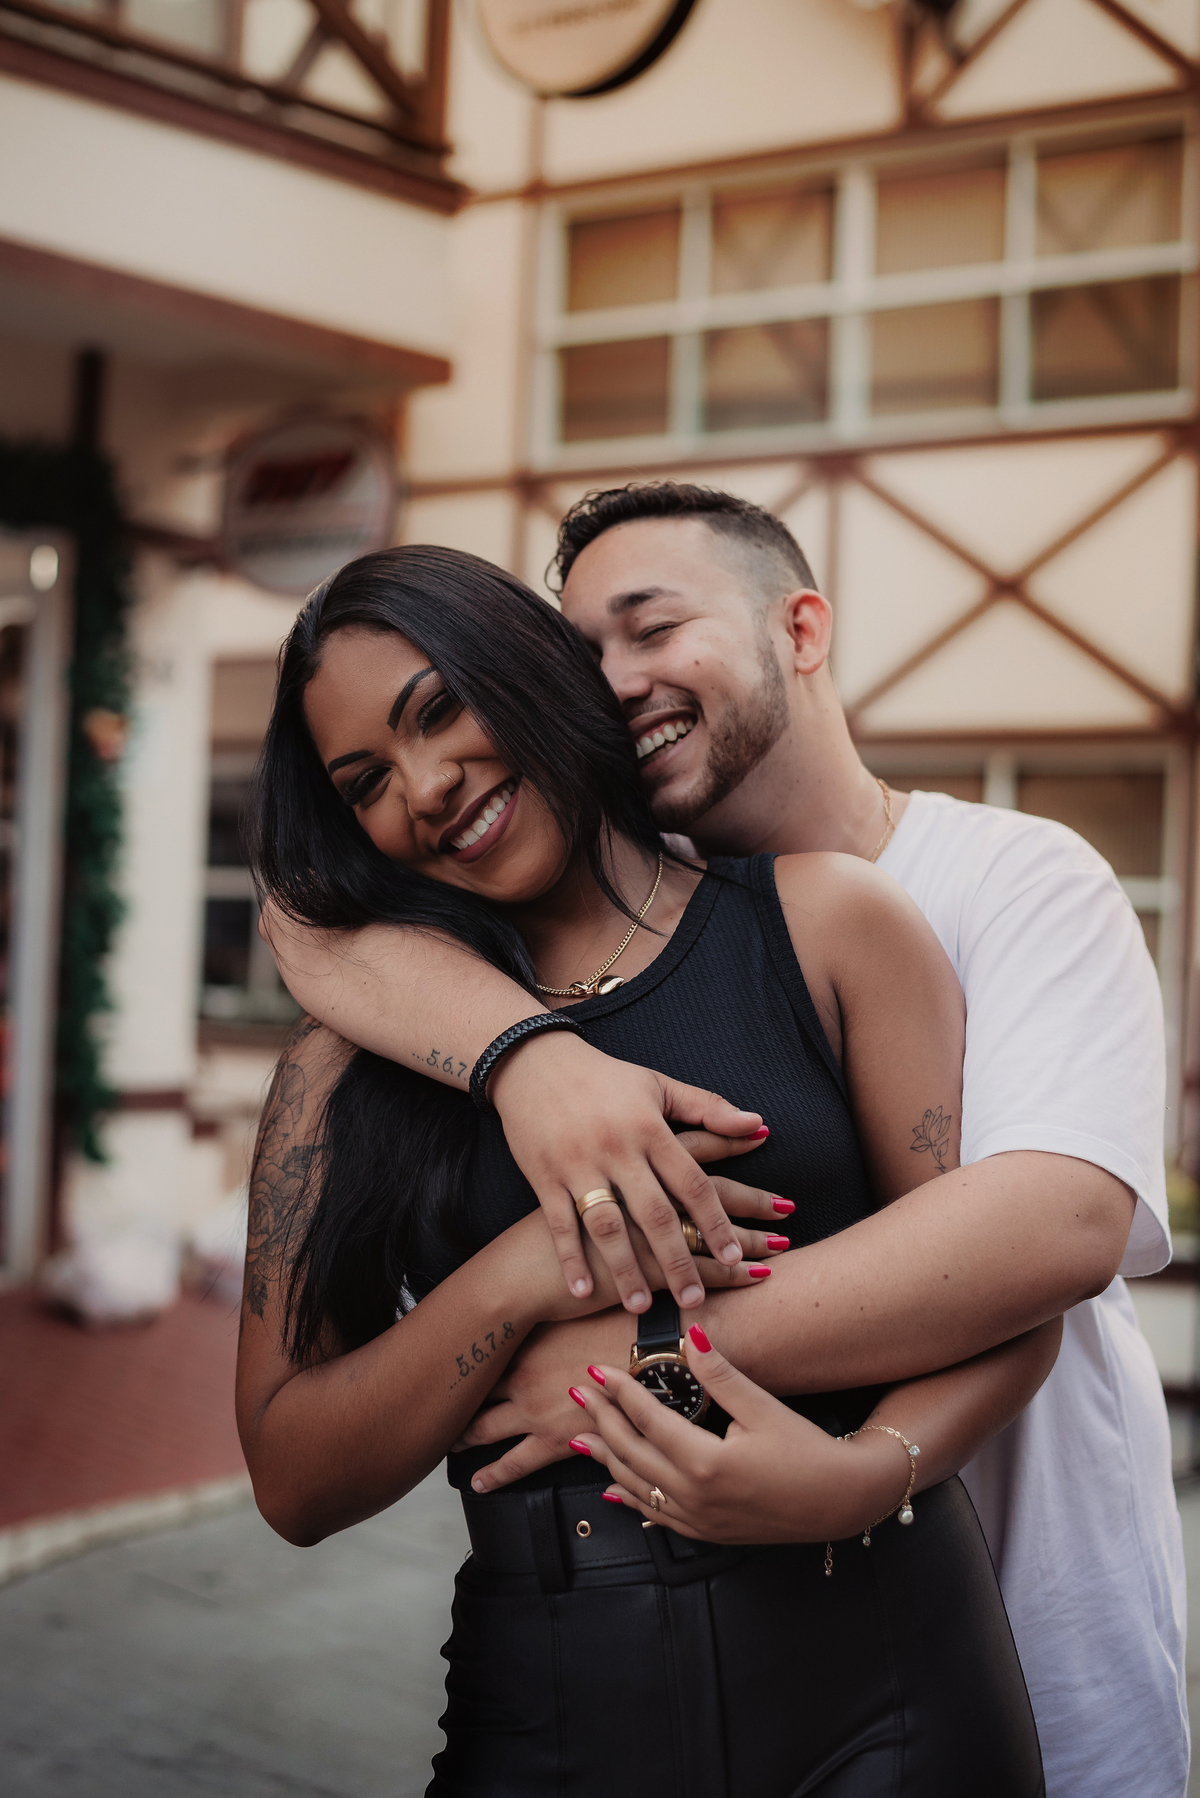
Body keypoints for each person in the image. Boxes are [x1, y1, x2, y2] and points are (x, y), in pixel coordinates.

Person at [266, 486, 1188, 1798]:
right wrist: (531, 1095)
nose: (615, 681)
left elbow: (1049, 1238)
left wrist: (635, 1361)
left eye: (651, 629)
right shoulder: (418, 1016)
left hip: (988, 1628)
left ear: (801, 628)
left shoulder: (981, 885)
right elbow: (308, 925)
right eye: (581, 651)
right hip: (571, 1684)